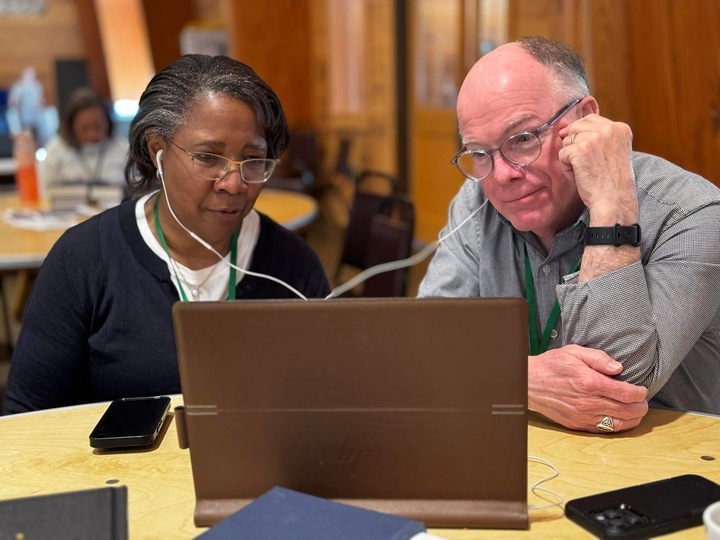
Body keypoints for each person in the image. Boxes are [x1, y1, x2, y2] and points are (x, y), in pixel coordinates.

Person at [418, 36, 720, 434]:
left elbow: (612, 393)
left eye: (523, 139)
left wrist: (610, 208)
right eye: (479, 153)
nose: (502, 174)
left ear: (585, 118)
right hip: (533, 456)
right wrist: (525, 381)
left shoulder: (692, 212)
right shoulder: (477, 202)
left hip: (669, 465)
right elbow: (425, 349)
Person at [3, 55, 330, 414]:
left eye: (253, 160)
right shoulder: (84, 260)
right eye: (208, 157)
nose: (234, 183)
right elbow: (26, 417)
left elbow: (328, 408)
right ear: (157, 150)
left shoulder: (293, 266)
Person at [38, 87, 129, 204]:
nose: (92, 135)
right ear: (71, 126)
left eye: (98, 126)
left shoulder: (124, 149)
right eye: (84, 128)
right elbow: (43, 191)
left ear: (108, 122)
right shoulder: (56, 150)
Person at [7, 66, 44, 141]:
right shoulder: (18, 87)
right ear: (22, 77)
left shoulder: (37, 86)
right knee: (11, 113)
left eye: (32, 76)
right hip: (21, 116)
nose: (30, 78)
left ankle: (44, 139)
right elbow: (12, 103)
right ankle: (17, 135)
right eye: (28, 76)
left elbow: (41, 102)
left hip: (35, 115)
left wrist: (39, 103)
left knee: (49, 114)